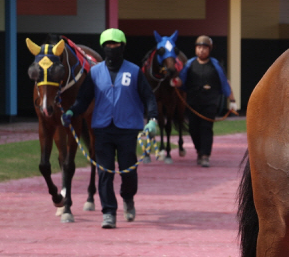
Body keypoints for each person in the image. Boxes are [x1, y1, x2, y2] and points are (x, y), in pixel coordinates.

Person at [62, 29, 158, 229]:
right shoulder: (95, 73)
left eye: (115, 45)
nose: (112, 48)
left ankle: (128, 198)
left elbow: (149, 97)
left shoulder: (134, 72)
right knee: (105, 173)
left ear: (122, 46)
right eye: (108, 45)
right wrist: (71, 112)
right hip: (103, 129)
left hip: (128, 129)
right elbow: (83, 98)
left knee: (128, 172)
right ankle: (109, 212)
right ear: (103, 47)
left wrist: (153, 119)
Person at [173, 35, 234, 168]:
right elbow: (181, 81)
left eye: (205, 48)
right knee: (194, 129)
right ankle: (199, 151)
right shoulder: (189, 64)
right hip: (193, 103)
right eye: (199, 47)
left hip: (210, 103)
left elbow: (225, 82)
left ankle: (206, 155)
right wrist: (176, 82)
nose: (202, 50)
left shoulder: (215, 65)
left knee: (206, 129)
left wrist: (232, 100)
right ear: (196, 49)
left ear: (209, 50)